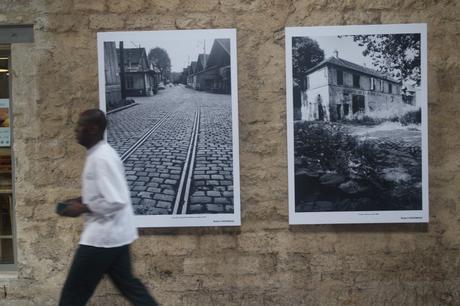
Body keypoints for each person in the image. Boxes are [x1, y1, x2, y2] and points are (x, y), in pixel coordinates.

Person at [58, 109, 158, 306]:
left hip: (101, 238)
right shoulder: (99, 154)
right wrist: (79, 199)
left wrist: (82, 208)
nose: (75, 130)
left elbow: (116, 200)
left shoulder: (102, 158)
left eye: (80, 126)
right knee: (131, 288)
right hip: (115, 236)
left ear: (93, 129)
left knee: (72, 295)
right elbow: (104, 192)